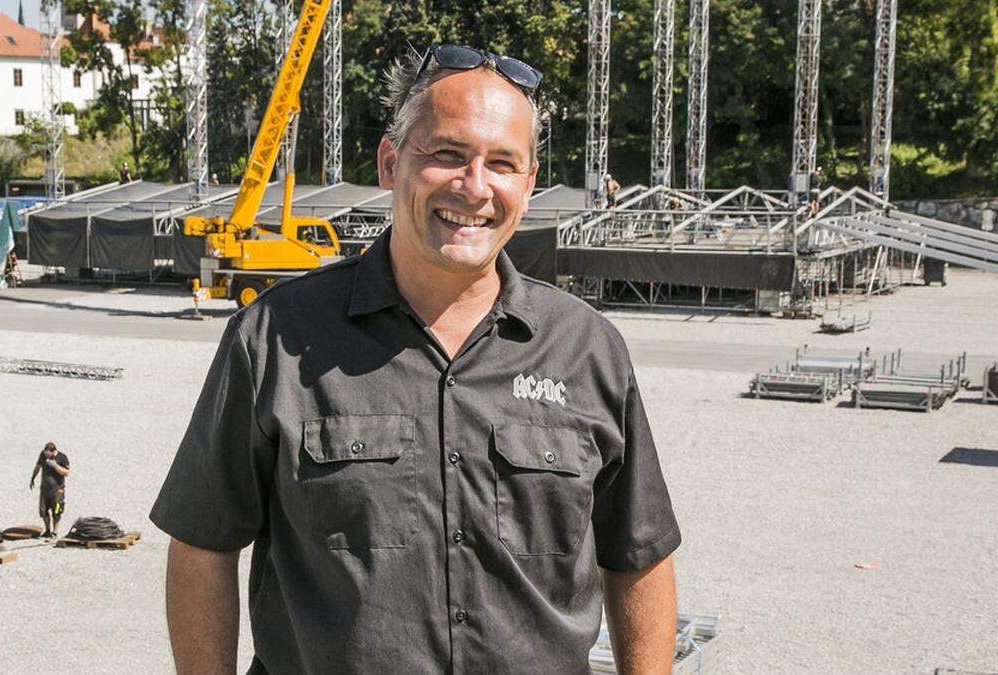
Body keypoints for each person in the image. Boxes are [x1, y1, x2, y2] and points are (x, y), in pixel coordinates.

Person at [152, 44, 680, 674]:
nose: (474, 187)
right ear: (390, 160)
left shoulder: (586, 349)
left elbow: (638, 554)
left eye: (502, 164)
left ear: (529, 183)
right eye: (448, 154)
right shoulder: (274, 338)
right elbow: (202, 544)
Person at [29, 442, 70, 538]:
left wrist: (55, 466)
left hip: (57, 489)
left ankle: (55, 532)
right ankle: (47, 530)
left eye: (48, 454)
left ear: (54, 451)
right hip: (44, 489)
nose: (46, 456)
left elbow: (66, 473)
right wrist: (32, 478)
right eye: (45, 454)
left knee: (56, 510)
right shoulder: (43, 455)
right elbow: (38, 466)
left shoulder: (62, 457)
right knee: (43, 511)